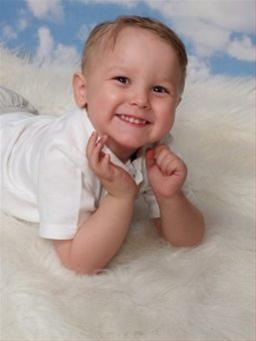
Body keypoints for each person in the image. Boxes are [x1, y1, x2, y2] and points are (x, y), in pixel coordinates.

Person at [0, 16, 205, 275]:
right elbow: (78, 261)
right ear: (83, 90)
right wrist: (121, 197)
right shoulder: (66, 156)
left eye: (159, 89)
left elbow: (189, 240)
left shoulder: (154, 147)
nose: (141, 100)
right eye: (122, 80)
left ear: (176, 103)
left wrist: (171, 197)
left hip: (25, 124)